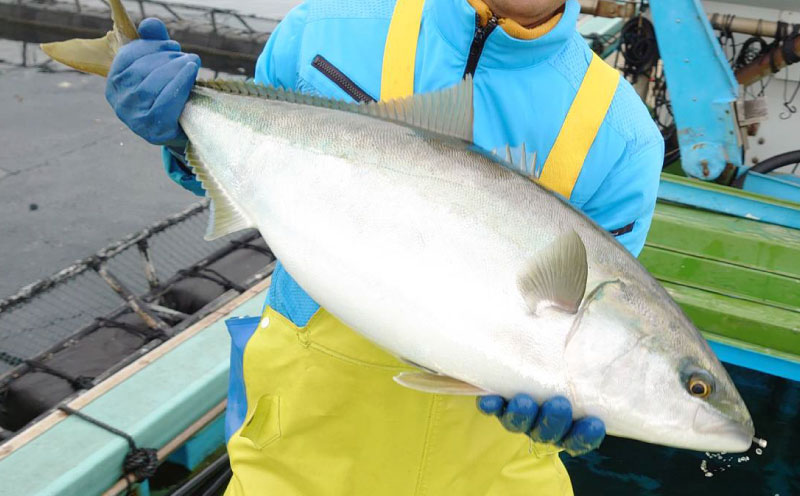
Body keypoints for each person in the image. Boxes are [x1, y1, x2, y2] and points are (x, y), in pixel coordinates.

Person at [105, 0, 664, 493]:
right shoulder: (327, 24)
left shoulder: (623, 136)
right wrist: (183, 130)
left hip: (494, 475)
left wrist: (569, 414)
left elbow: (591, 331)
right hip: (295, 454)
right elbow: (253, 174)